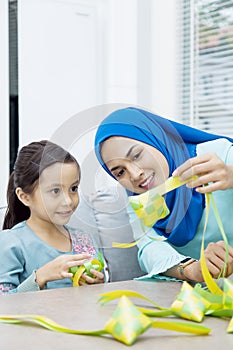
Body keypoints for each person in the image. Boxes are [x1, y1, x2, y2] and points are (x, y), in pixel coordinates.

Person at [94, 106, 233, 283]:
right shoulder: (137, 199)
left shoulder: (217, 154)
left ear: (157, 138)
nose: (135, 175)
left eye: (136, 155)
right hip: (210, 297)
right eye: (120, 172)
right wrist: (192, 270)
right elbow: (149, 247)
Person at [0, 140, 104, 294]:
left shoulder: (84, 239)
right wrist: (40, 277)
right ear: (24, 197)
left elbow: (98, 293)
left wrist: (98, 283)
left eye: (73, 188)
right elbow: (4, 302)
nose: (68, 200)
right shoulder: (11, 243)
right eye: (55, 191)